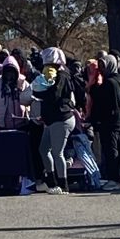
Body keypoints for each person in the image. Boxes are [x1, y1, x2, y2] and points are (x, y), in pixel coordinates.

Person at [35, 47, 76, 194]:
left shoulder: (62, 75)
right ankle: (51, 182)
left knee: (58, 153)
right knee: (43, 149)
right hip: (52, 119)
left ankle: (63, 184)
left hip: (61, 118)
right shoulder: (51, 74)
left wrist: (38, 93)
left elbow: (54, 95)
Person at [89, 54, 120, 190]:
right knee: (110, 150)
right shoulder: (114, 80)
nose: (101, 69)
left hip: (110, 122)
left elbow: (112, 104)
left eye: (103, 66)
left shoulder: (111, 82)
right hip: (111, 121)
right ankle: (113, 177)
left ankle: (114, 179)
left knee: (111, 151)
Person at [0, 55, 28, 129]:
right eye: (7, 72)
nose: (9, 75)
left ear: (16, 72)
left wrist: (28, 116)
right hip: (2, 126)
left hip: (21, 125)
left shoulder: (24, 84)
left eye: (12, 72)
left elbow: (30, 101)